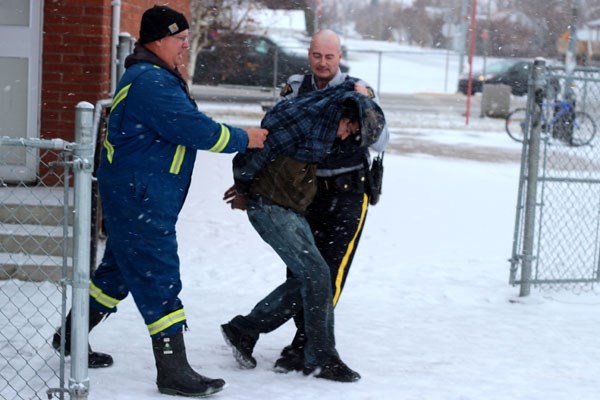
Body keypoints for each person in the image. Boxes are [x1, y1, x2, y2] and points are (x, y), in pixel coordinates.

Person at [51, 5, 268, 398]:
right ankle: (172, 369)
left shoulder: (151, 75)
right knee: (159, 278)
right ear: (158, 40)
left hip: (135, 196)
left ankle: (69, 336)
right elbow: (194, 129)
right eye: (181, 39)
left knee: (116, 275)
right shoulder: (151, 82)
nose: (186, 47)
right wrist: (245, 138)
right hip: (141, 200)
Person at [220, 79, 386, 383]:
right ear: (342, 116)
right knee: (317, 275)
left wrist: (356, 86)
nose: (345, 136)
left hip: (285, 205)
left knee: (312, 277)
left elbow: (340, 90)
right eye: (348, 129)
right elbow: (261, 146)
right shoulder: (306, 121)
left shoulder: (329, 110)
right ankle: (322, 358)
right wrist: (243, 185)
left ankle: (244, 329)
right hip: (269, 206)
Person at [272, 29, 390, 373]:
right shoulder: (295, 88)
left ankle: (305, 343)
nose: (323, 64)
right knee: (299, 269)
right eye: (317, 56)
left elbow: (382, 140)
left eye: (330, 57)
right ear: (309, 55)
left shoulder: (359, 89)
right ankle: (296, 337)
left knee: (330, 272)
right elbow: (278, 130)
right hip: (301, 193)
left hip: (348, 193)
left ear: (339, 57)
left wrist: (360, 117)